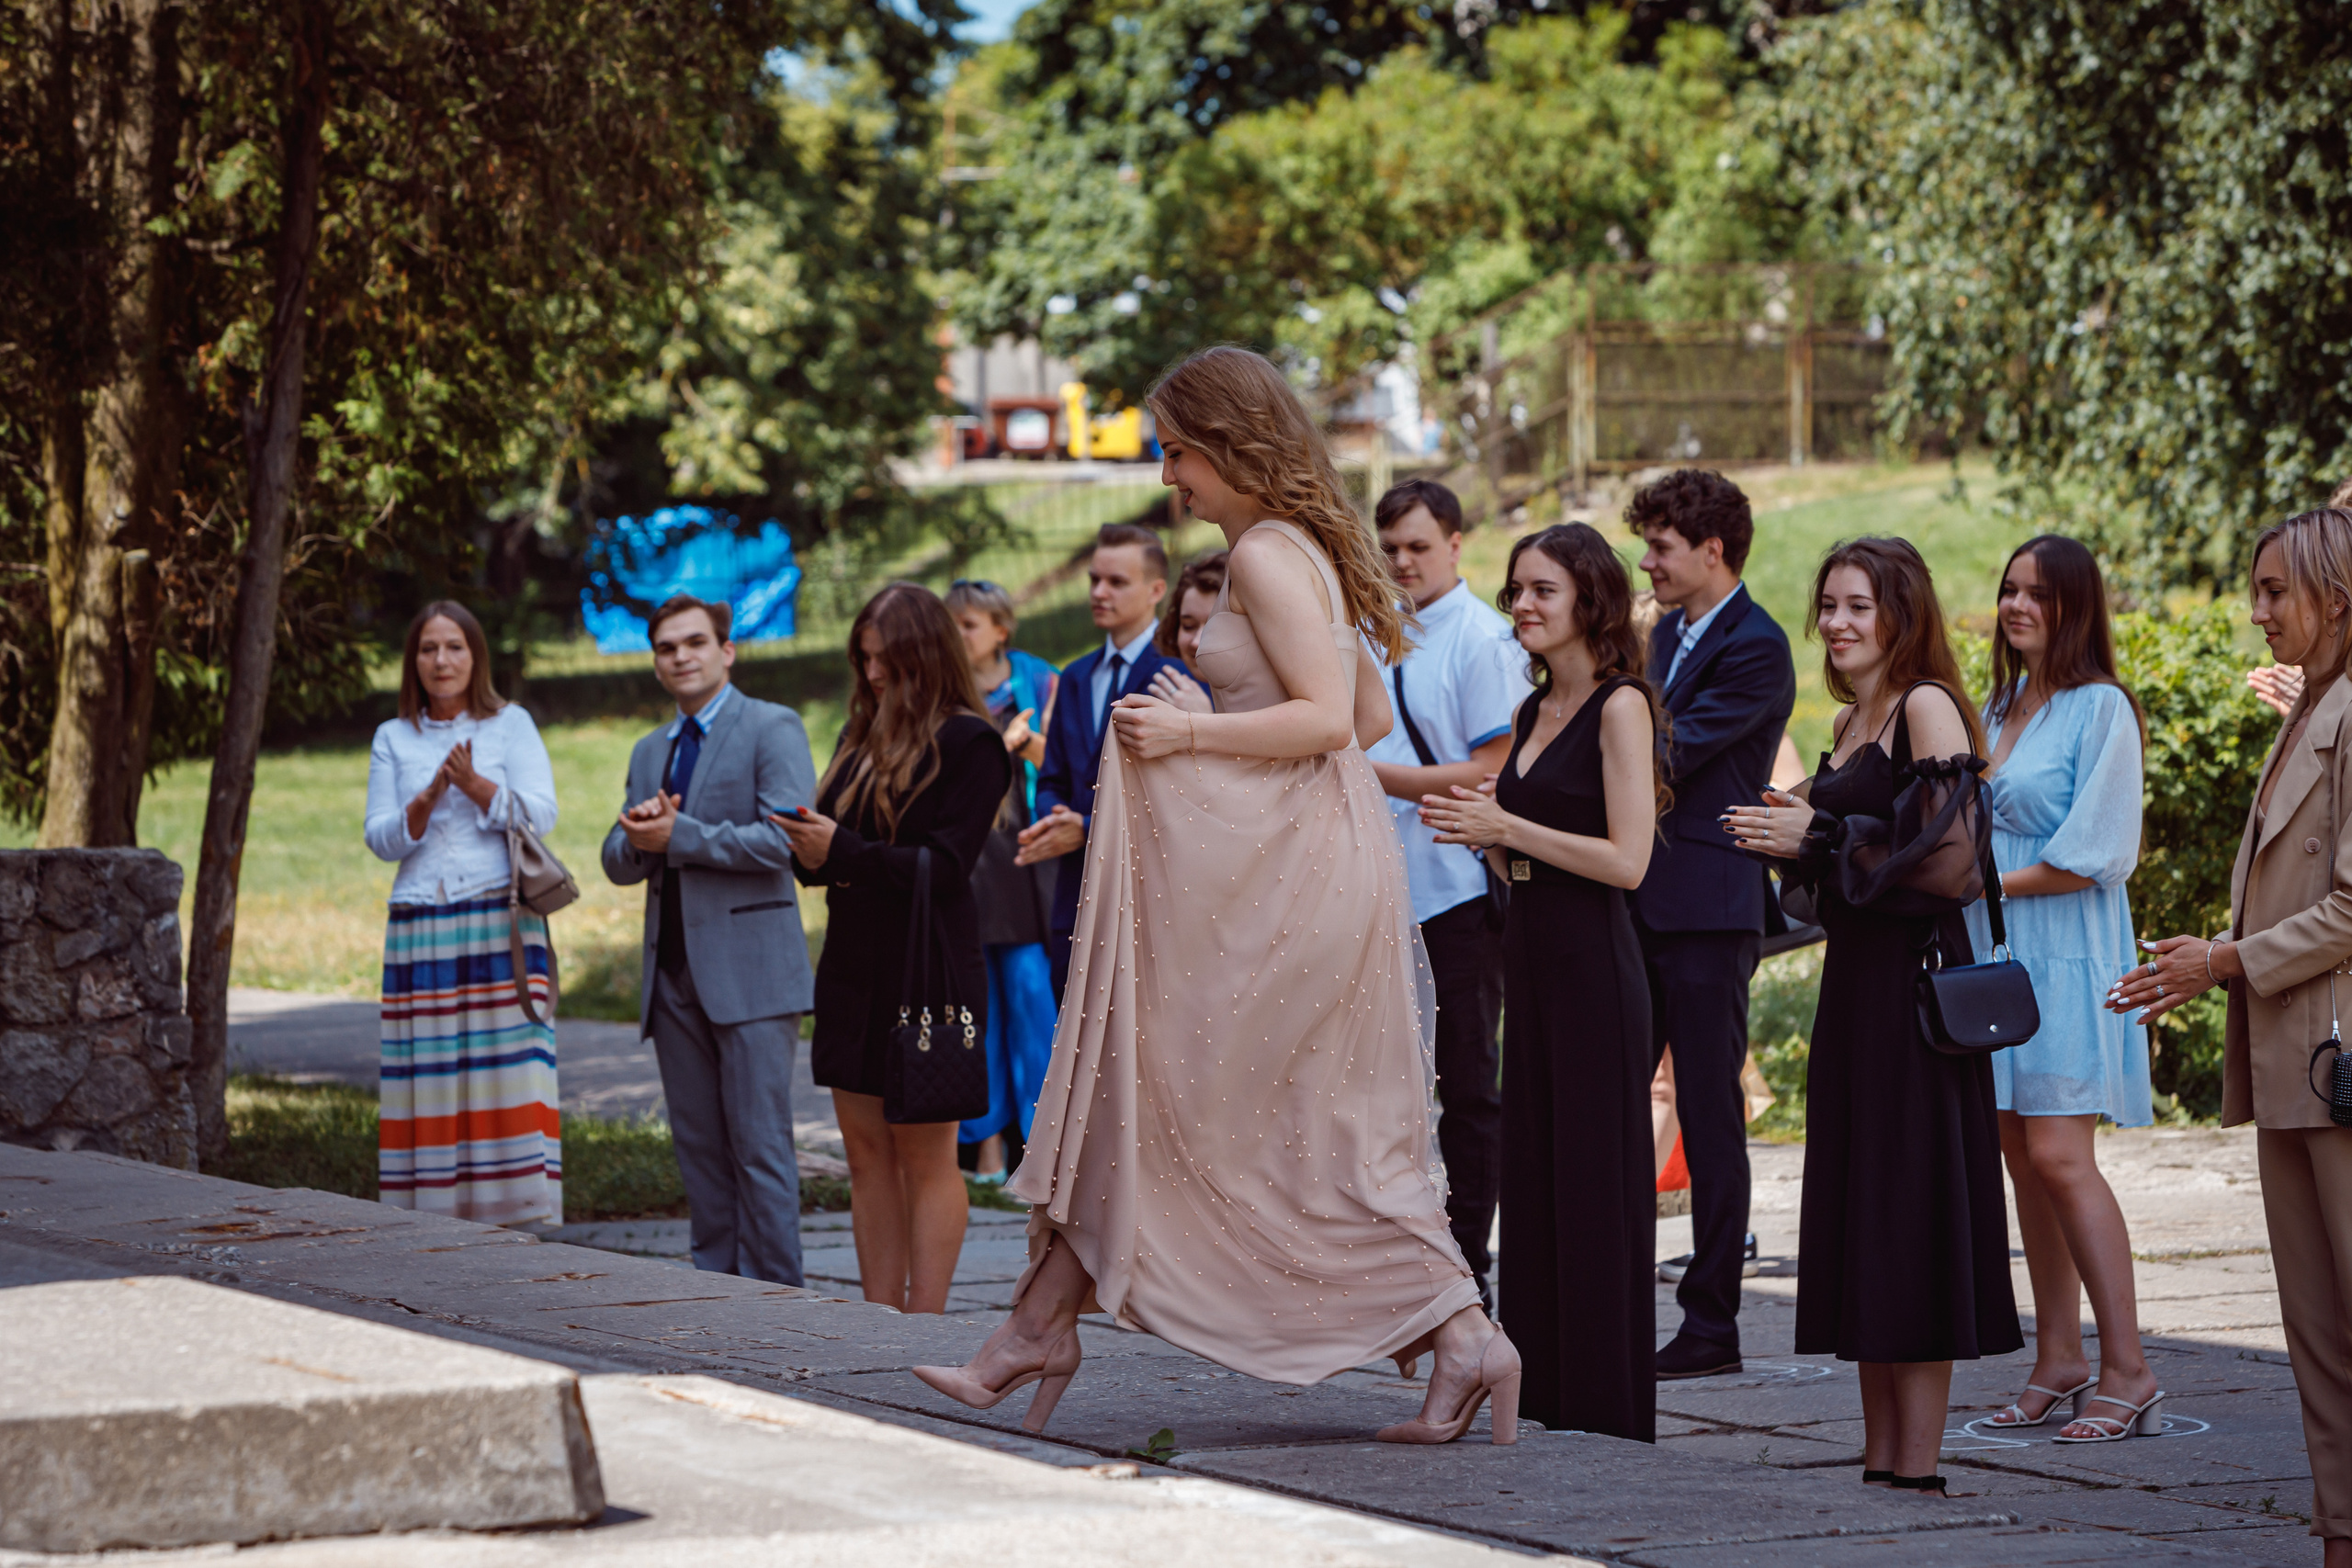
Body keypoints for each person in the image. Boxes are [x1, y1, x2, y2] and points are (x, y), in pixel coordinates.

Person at [912, 345, 1519, 1445]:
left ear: (1230, 444)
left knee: (1209, 1114)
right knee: (1214, 1113)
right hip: (1302, 871)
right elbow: (1370, 718)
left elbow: (1331, 722)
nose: (1165, 476)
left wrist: (1190, 730)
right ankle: (1040, 1326)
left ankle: (1457, 1328)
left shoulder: (1270, 557)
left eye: (1176, 451)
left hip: (1290, 887)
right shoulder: (1292, 551)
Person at [1725, 536, 2021, 1499]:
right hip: (1853, 991)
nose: (1838, 623)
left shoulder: (1925, 703)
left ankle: (1920, 1464)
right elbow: (1844, 868)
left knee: (1910, 1213)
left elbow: (1947, 861)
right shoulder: (1850, 718)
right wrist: (1787, 838)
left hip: (1913, 990)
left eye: (1859, 605)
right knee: (1863, 1214)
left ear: (1900, 612)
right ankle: (1881, 1455)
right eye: (1828, 605)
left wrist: (1815, 833)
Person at [2111, 507, 2352, 1562]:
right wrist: (2213, 954)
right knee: (2314, 1334)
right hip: (2295, 1059)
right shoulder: (2311, 711)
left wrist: (2224, 960)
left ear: (2333, 600)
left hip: (2335, 1062)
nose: (2255, 614)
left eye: (2273, 594)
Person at [1419, 523, 1662, 1441]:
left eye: (1541, 591)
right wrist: (1485, 834)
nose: (1520, 603)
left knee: (1595, 1186)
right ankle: (1547, 1391)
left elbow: (1629, 861)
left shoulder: (1619, 707)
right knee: (1537, 1177)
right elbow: (1524, 841)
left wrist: (1510, 831)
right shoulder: (1529, 714)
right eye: (1516, 587)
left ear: (1588, 602)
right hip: (1531, 947)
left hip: (1596, 960)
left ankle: (1606, 1408)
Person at [1964, 536, 2158, 1438]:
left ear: (2072, 606)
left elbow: (2099, 853)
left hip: (2066, 961)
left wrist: (1980, 884)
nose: (2016, 606)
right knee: (2018, 1158)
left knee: (2059, 1157)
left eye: (2036, 594)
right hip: (1995, 963)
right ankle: (2059, 1357)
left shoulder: (2100, 709)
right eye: (2008, 589)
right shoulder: (1998, 703)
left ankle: (2129, 1365)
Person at [781, 583, 1011, 1314]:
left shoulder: (970, 743)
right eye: (864, 658)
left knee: (924, 1155)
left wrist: (841, 848)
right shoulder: (860, 733)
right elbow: (834, 853)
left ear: (925, 654)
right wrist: (810, 847)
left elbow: (944, 868)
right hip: (854, 963)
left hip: (927, 970)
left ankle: (926, 1319)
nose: (874, 673)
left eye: (888, 659)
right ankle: (877, 1315)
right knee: (865, 1154)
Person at [1624, 468, 1796, 1379]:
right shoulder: (1667, 638)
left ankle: (1712, 1322)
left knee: (1707, 1113)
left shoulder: (1756, 645)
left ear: (1712, 550)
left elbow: (1670, 752)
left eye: (1659, 545)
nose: (1645, 561)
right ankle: (1616, 1295)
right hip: (1643, 893)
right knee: (1620, 1102)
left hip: (1705, 905)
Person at [600, 594, 817, 1285]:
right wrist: (640, 835)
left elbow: (786, 840)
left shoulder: (771, 726)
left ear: (727, 650)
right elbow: (615, 857)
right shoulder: (649, 750)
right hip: (672, 978)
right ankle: (715, 1295)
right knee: (699, 1150)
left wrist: (681, 836)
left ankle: (779, 1303)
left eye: (695, 642)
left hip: (751, 974)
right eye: (667, 648)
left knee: (760, 1147)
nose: (681, 656)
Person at [1363, 478, 1528, 1308]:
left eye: (1418, 547)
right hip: (1373, 886)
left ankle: (1468, 1267)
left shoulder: (1483, 638)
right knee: (1380, 1086)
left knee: (1467, 1083)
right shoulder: (1370, 630)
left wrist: (1365, 773)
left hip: (1455, 889)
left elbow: (1490, 772)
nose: (1402, 562)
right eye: (1389, 548)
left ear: (1456, 543)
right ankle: (1397, 1252)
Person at [367, 602, 562, 1226]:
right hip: (422, 921)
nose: (441, 660)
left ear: (474, 655)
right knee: (430, 1069)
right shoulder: (392, 737)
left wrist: (475, 785)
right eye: (428, 649)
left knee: (506, 1066)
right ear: (413, 661)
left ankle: (518, 1212)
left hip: (499, 916)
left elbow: (542, 814)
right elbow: (380, 837)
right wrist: (427, 797)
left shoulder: (511, 724)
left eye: (454, 647)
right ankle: (432, 1213)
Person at [1016, 524, 1178, 999]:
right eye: (1093, 580)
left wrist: (1088, 826)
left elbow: (1177, 796)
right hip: (1077, 894)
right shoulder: (1074, 675)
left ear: (1156, 590)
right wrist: (1057, 817)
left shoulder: (1178, 671)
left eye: (1116, 582)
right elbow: (1052, 780)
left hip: (1150, 894)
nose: (1099, 592)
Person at [944, 579, 1061, 1185]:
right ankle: (985, 1152)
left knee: (1032, 999)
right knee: (976, 1012)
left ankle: (1040, 1151)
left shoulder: (1040, 682)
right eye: (953, 623)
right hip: (966, 867)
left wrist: (1027, 740)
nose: (958, 634)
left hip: (1026, 866)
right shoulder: (941, 689)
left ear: (1000, 628)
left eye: (968, 623)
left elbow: (1069, 766)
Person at [1148, 548, 1227, 715]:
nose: (1197, 642)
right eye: (1188, 626)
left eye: (1215, 626)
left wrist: (1202, 724)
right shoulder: (1173, 699)